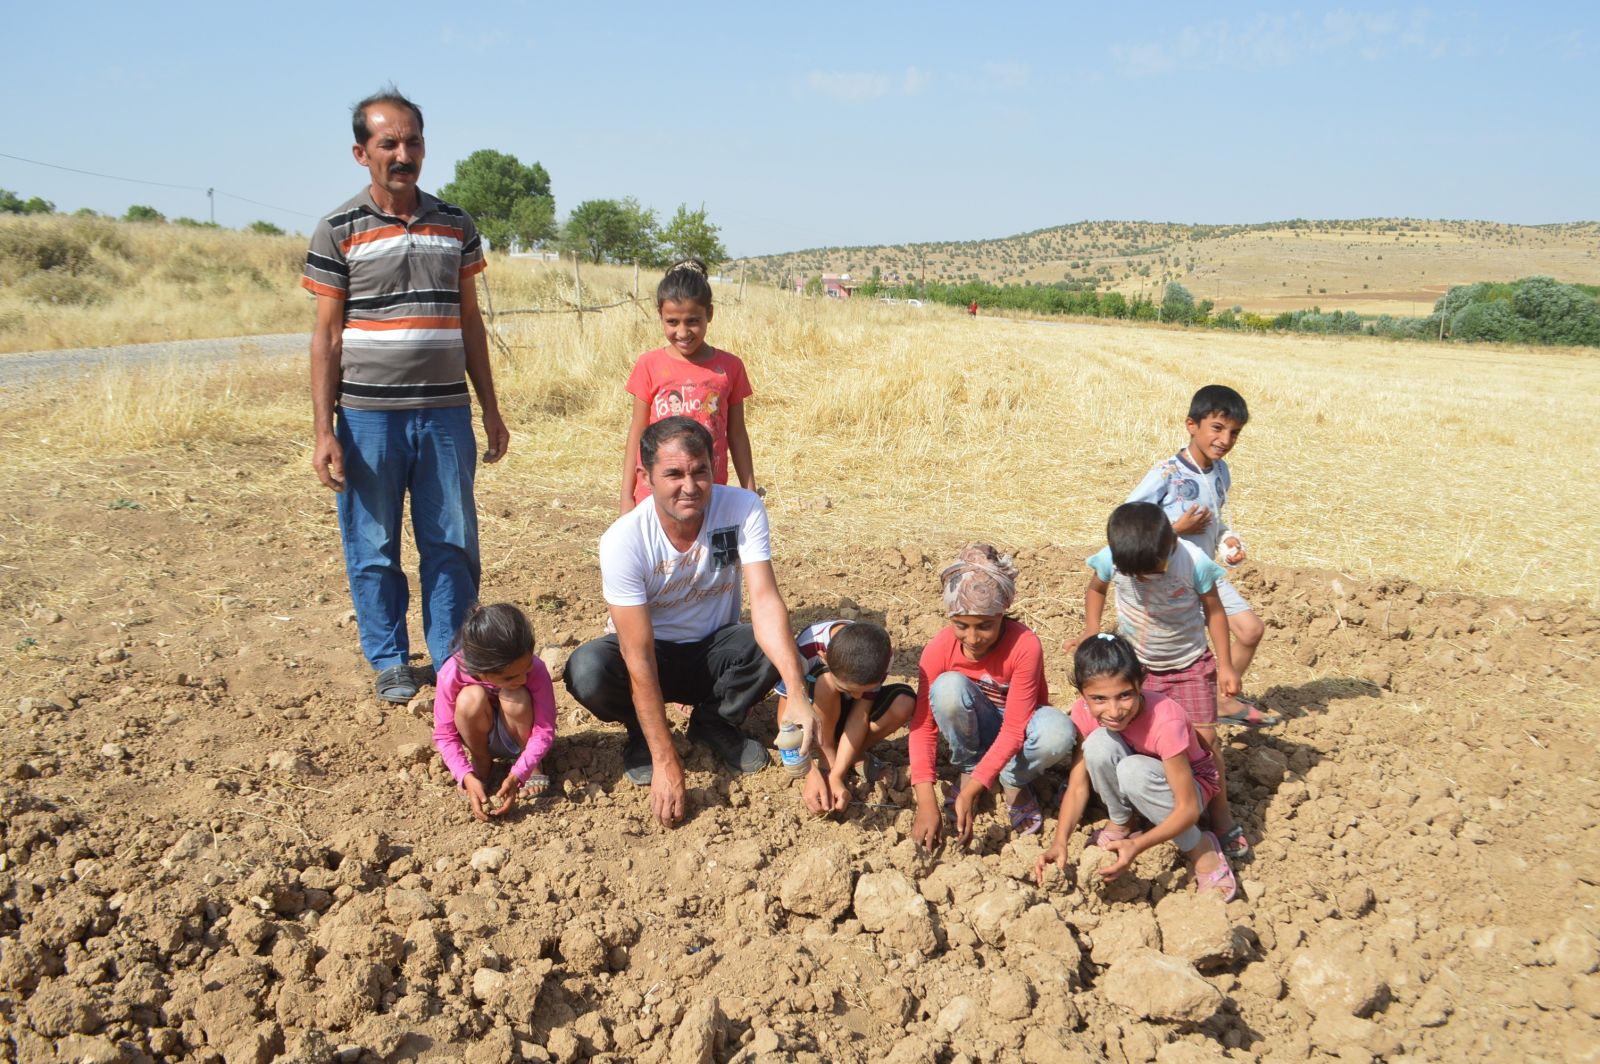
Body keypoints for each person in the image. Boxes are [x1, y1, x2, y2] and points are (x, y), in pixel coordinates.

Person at [302, 86, 509, 704]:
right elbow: (327, 338)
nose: (402, 153)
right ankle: (390, 659)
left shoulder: (456, 226)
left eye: (412, 141)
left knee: (452, 540)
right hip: (367, 419)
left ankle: (450, 656)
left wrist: (491, 408)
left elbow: (471, 322)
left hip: (446, 413)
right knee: (373, 544)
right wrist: (322, 430)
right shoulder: (337, 229)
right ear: (361, 152)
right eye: (387, 142)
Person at [565, 417, 819, 828]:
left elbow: (766, 602)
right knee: (587, 670)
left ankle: (713, 721)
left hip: (713, 649)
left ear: (714, 466)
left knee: (776, 645)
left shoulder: (742, 508)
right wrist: (666, 759)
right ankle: (641, 734)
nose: (690, 486)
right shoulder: (624, 539)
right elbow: (637, 653)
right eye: (673, 474)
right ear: (644, 477)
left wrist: (797, 692)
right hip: (651, 656)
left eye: (700, 471)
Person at [1075, 501, 1248, 859]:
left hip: (1188, 665)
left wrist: (1227, 664)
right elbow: (1096, 589)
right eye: (1133, 574)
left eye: (1151, 571)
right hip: (1137, 669)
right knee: (1136, 736)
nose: (1142, 579)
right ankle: (1138, 808)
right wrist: (1091, 633)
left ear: (1170, 543)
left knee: (1202, 740)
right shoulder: (1115, 558)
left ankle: (1219, 813)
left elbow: (1215, 611)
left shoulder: (1192, 562)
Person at [1034, 633, 1237, 901]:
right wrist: (1059, 841)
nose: (1114, 710)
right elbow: (1078, 785)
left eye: (1125, 695)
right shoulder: (1083, 712)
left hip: (1190, 790)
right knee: (1096, 745)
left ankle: (1202, 849)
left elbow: (1187, 808)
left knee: (1133, 772)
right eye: (1099, 699)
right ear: (1083, 694)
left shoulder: (1165, 720)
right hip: (1141, 776)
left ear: (1141, 684)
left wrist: (1137, 846)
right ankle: (1123, 821)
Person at [909, 545, 1077, 850]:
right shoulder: (938, 649)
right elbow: (923, 728)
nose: (973, 639)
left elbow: (1015, 728)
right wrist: (925, 801)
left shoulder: (1024, 645)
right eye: (961, 625)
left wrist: (972, 791)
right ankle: (971, 766)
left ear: (1002, 614)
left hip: (1019, 733)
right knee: (948, 688)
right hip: (976, 730)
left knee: (1058, 731)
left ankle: (1013, 779)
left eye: (985, 625)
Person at [1126, 384, 1271, 726]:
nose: (1225, 439)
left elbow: (1215, 523)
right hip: (1166, 579)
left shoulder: (1221, 473)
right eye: (1217, 428)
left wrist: (1228, 542)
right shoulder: (1167, 474)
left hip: (1203, 575)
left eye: (1234, 433)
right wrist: (1175, 528)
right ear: (1192, 425)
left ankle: (1220, 700)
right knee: (1159, 656)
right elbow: (1128, 525)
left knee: (1250, 631)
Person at [618, 259, 754, 515]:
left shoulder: (730, 367)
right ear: (660, 316)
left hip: (707, 492)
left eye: (692, 321)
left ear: (709, 314)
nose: (683, 332)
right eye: (672, 322)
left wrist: (750, 492)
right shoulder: (649, 365)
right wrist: (627, 496)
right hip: (656, 494)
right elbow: (637, 431)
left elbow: (737, 434)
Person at [775, 620, 916, 814]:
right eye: (848, 689)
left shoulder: (879, 655)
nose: (857, 697)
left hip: (848, 720)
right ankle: (827, 755)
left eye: (862, 691)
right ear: (823, 657)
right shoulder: (806, 649)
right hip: (814, 716)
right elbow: (785, 718)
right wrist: (810, 771)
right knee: (825, 681)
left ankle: (848, 757)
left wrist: (837, 776)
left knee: (903, 702)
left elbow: (860, 715)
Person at [432, 603, 555, 822]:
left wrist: (520, 773)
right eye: (509, 677)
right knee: (470, 698)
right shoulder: (451, 674)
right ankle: (481, 762)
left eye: (525, 670)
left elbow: (544, 729)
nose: (523, 679)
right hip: (481, 734)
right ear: (481, 671)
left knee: (516, 696)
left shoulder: (535, 668)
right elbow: (444, 734)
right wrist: (464, 775)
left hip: (519, 731)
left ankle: (533, 764)